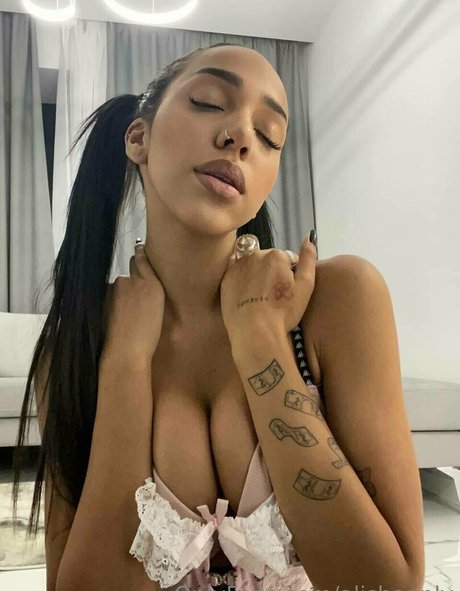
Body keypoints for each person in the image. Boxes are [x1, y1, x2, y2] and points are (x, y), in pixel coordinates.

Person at [12, 43, 321, 590]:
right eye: (208, 102)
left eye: (269, 135)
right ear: (138, 138)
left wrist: (262, 339)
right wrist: (126, 364)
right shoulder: (76, 349)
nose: (240, 136)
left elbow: (388, 577)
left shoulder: (325, 305)